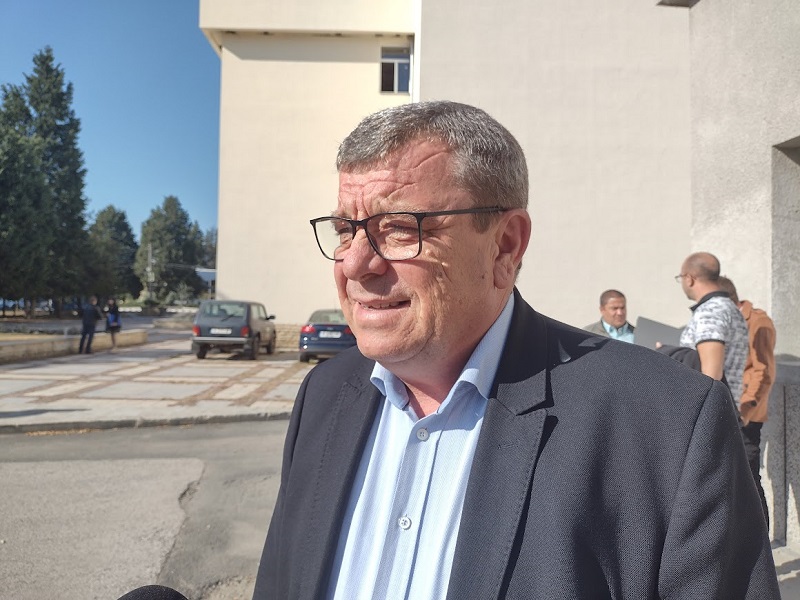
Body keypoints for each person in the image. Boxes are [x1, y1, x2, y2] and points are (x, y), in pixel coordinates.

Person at [253, 101, 779, 599]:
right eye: (345, 230)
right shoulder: (324, 395)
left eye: (398, 229)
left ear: (505, 245)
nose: (354, 264)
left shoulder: (667, 421)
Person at [719, 275, 776, 527]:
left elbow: (764, 371)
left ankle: (762, 544)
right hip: (726, 408)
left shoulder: (758, 321)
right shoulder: (727, 321)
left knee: (751, 480)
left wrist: (746, 407)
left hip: (745, 414)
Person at [676, 252, 749, 402]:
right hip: (727, 405)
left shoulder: (710, 311)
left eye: (681, 277)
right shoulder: (730, 307)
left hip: (711, 409)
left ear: (689, 278)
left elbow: (711, 375)